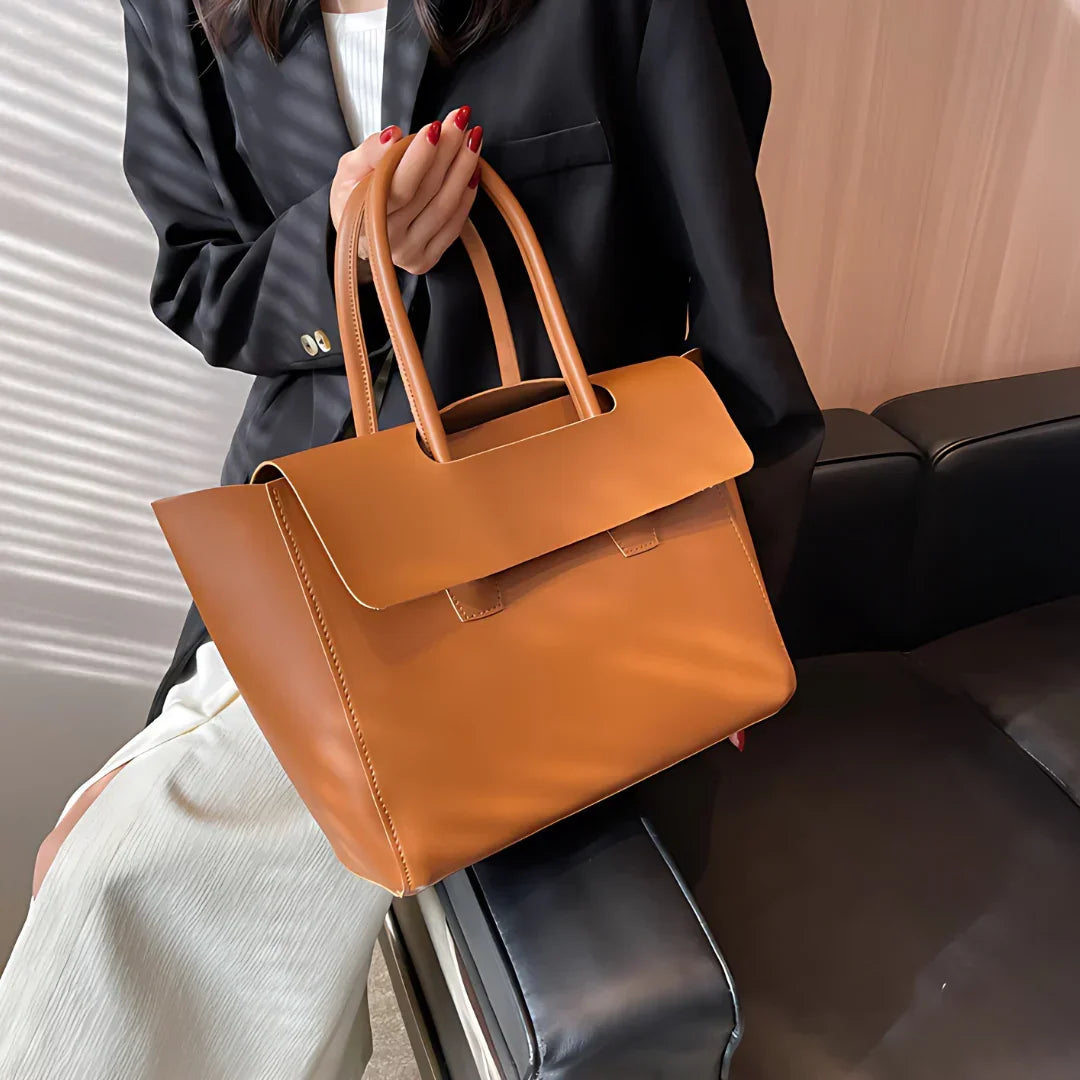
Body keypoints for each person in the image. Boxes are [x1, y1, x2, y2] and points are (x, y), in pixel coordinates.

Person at [0, 0, 823, 1076]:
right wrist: (338, 252)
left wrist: (739, 594)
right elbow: (199, 278)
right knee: (102, 867)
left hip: (555, 551)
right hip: (315, 528)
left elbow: (730, 298)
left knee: (111, 880)